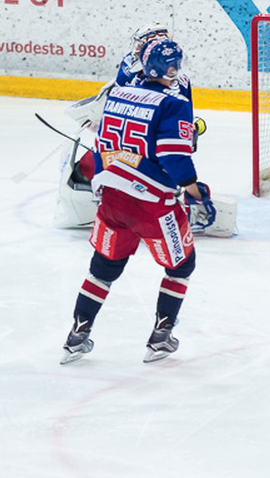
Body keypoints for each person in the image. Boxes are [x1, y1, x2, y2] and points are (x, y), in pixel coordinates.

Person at [60, 39, 217, 365]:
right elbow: (173, 156)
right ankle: (160, 337)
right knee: (181, 266)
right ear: (172, 68)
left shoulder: (118, 93)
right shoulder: (172, 104)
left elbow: (102, 144)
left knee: (103, 268)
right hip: (152, 204)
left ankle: (77, 335)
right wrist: (194, 190)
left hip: (112, 200)